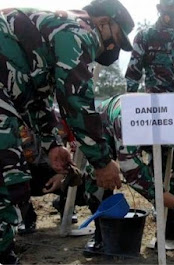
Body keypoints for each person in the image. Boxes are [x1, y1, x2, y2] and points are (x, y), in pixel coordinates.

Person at [0, 0, 134, 263]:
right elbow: (76, 101)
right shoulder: (78, 32)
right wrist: (102, 161)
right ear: (104, 22)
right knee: (8, 177)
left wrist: (52, 145)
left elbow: (38, 100)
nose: (113, 48)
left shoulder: (56, 33)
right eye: (117, 38)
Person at [82, 95, 174, 256]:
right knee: (99, 173)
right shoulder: (128, 120)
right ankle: (102, 233)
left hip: (154, 130)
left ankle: (169, 225)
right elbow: (133, 173)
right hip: (107, 124)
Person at [124, 0, 174, 243]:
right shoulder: (145, 36)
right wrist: (131, 114)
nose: (173, 13)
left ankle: (171, 224)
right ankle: (162, 217)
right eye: (170, 9)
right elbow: (133, 77)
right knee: (158, 169)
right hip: (155, 115)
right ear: (160, 9)